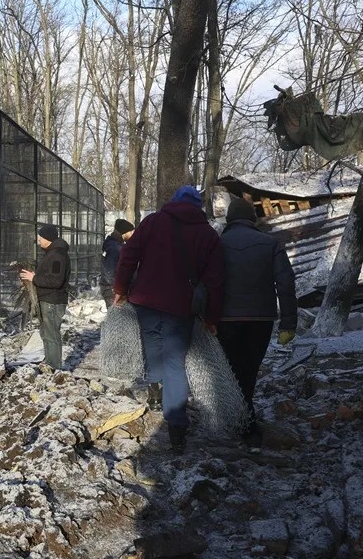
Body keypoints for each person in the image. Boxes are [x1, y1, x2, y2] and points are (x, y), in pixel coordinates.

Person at [113, 185, 225, 453]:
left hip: (146, 301)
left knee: (152, 345)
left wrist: (121, 289)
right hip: (180, 306)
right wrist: (212, 317)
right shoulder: (207, 234)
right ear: (198, 207)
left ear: (173, 201)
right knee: (175, 363)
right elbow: (216, 280)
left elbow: (129, 256)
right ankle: (176, 427)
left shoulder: (152, 222)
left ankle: (154, 388)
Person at [217, 197, 297, 448]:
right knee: (249, 371)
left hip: (225, 318)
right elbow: (286, 283)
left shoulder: (217, 244)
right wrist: (288, 323)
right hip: (261, 318)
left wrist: (201, 316)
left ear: (229, 219)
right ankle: (247, 424)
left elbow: (206, 282)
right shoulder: (270, 243)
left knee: (231, 369)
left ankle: (242, 420)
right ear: (252, 218)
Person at [19, 225, 71, 370]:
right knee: (47, 334)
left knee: (51, 335)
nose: (38, 240)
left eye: (40, 237)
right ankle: (49, 363)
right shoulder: (53, 253)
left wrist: (34, 278)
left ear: (48, 238)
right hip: (48, 300)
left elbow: (56, 280)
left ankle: (54, 367)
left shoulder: (57, 256)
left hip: (52, 302)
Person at [100, 218, 135, 307]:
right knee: (117, 314)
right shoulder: (114, 249)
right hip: (113, 290)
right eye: (131, 232)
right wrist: (119, 290)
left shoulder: (115, 245)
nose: (132, 234)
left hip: (114, 289)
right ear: (125, 232)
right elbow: (110, 272)